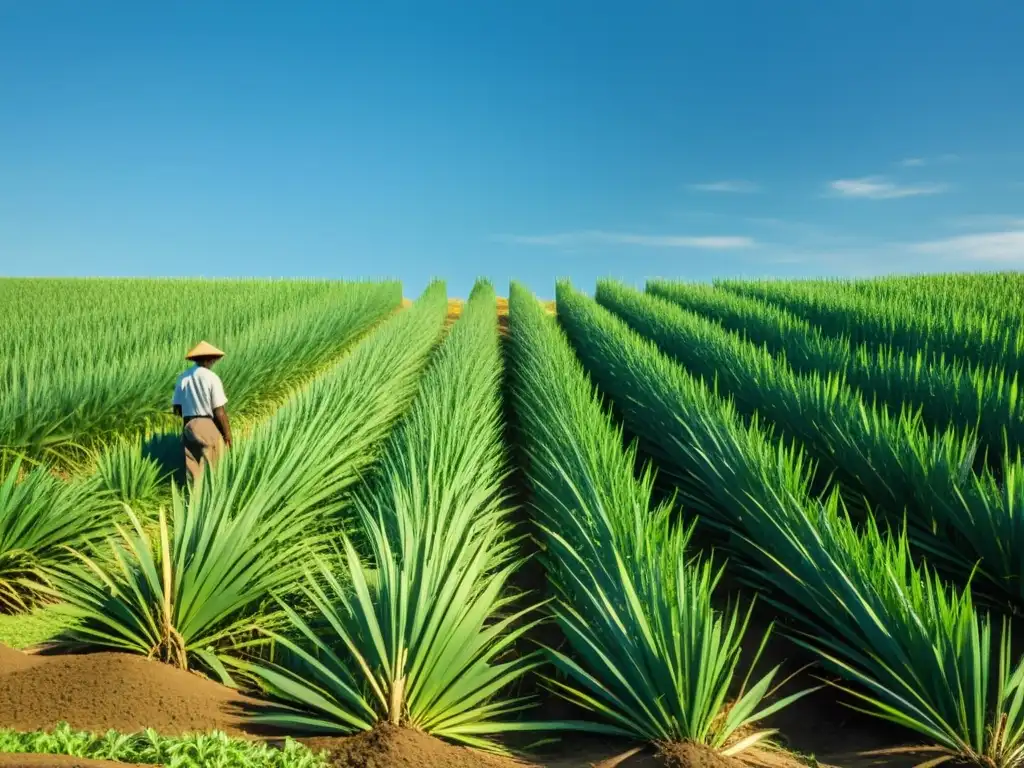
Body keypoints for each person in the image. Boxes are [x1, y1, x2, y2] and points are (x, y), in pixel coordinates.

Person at [172, 341, 232, 481]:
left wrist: (189, 420)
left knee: (193, 468)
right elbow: (219, 411)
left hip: (188, 425)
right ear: (206, 359)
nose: (213, 362)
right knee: (216, 463)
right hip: (206, 423)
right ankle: (212, 496)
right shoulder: (211, 378)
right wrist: (227, 435)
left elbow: (176, 409)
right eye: (212, 359)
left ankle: (194, 499)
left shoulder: (183, 377)